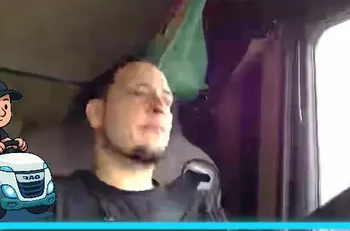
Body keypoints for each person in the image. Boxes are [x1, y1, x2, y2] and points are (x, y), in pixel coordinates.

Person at [51, 55, 226, 222]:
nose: (159, 107)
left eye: (167, 100)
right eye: (139, 93)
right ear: (97, 113)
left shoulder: (199, 212)